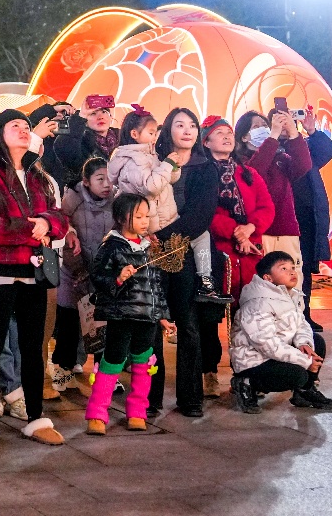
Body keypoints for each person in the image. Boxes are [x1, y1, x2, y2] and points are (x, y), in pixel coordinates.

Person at [0, 109, 67, 450]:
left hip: (33, 272)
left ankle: (36, 418)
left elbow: (58, 215)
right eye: (14, 126)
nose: (23, 130)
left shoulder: (38, 174)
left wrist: (49, 224)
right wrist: (32, 227)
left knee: (33, 348)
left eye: (26, 126)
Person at [150, 108, 224, 417]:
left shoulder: (205, 168)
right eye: (180, 125)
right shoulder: (154, 164)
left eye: (192, 125)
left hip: (184, 253)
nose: (187, 130)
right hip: (150, 253)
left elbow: (200, 216)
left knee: (189, 325)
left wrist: (161, 235)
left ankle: (191, 398)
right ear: (168, 130)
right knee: (151, 326)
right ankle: (150, 398)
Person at [84, 194, 175, 434]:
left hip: (147, 317)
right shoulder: (111, 245)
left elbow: (155, 285)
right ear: (121, 218)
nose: (145, 221)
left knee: (144, 363)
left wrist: (163, 315)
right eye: (138, 216)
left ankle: (137, 412)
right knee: (113, 360)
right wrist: (118, 278)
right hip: (121, 314)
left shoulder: (149, 247)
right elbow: (96, 275)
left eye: (147, 216)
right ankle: (97, 413)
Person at [229, 252, 332, 413]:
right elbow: (267, 345)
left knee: (317, 341)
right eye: (284, 268)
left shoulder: (288, 295)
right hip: (254, 361)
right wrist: (304, 361)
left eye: (293, 267)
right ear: (268, 278)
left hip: (275, 354)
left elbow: (302, 324)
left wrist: (304, 344)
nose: (292, 272)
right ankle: (246, 383)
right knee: (298, 375)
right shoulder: (257, 303)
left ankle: (304, 392)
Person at [50, 158, 115, 391]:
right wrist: (69, 232)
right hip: (74, 270)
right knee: (68, 322)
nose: (106, 184)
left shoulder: (116, 200)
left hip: (104, 273)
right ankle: (63, 370)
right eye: (100, 179)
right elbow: (60, 222)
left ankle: (104, 375)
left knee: (103, 324)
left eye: (109, 178)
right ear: (86, 182)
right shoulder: (74, 199)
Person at [203, 115, 274, 303]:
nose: (227, 137)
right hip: (221, 248)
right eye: (219, 133)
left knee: (253, 307)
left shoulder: (248, 173)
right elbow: (206, 212)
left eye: (229, 133)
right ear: (206, 142)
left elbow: (267, 207)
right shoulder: (201, 173)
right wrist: (237, 233)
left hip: (252, 248)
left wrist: (250, 228)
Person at [236, 109, 312, 266]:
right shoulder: (239, 162)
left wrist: (293, 132)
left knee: (291, 282)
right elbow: (254, 173)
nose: (262, 129)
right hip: (257, 231)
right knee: (262, 282)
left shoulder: (281, 158)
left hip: (286, 229)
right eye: (256, 126)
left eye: (265, 125)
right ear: (243, 137)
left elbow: (303, 165)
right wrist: (273, 137)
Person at [293, 109, 332, 328]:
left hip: (307, 216)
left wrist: (311, 131)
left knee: (305, 267)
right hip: (280, 218)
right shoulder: (268, 147)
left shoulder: (304, 146)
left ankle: (305, 313)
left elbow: (328, 151)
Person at [107, 105, 178, 236]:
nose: (154, 137)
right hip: (149, 227)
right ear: (134, 134)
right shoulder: (133, 160)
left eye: (155, 133)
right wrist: (167, 165)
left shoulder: (150, 155)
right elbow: (151, 187)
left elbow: (168, 180)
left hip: (163, 221)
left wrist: (174, 167)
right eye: (151, 133)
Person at [53, 94, 120, 189]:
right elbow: (63, 148)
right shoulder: (80, 142)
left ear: (110, 117)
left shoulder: (124, 138)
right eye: (93, 113)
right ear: (85, 120)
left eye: (104, 111)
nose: (100, 117)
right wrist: (81, 115)